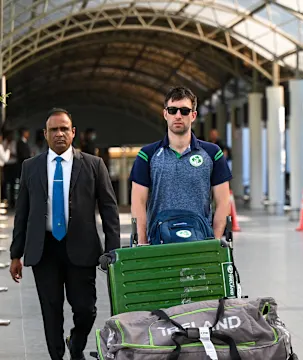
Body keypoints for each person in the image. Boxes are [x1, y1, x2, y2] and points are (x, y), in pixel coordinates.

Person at [8, 108, 120, 360]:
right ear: (45, 134)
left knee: (86, 309)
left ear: (73, 133)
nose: (59, 134)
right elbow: (22, 213)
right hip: (44, 249)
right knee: (51, 311)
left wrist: (113, 251)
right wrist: (16, 254)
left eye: (64, 129)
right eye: (54, 130)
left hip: (81, 248)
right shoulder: (31, 167)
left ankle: (77, 343)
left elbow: (109, 210)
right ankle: (57, 356)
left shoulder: (93, 165)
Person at [129, 86, 232, 244]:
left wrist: (215, 241)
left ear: (193, 115)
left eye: (184, 111)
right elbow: (138, 201)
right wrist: (142, 243)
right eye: (172, 110)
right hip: (159, 243)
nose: (178, 115)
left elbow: (223, 200)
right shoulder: (147, 155)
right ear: (165, 114)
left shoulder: (212, 153)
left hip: (201, 241)